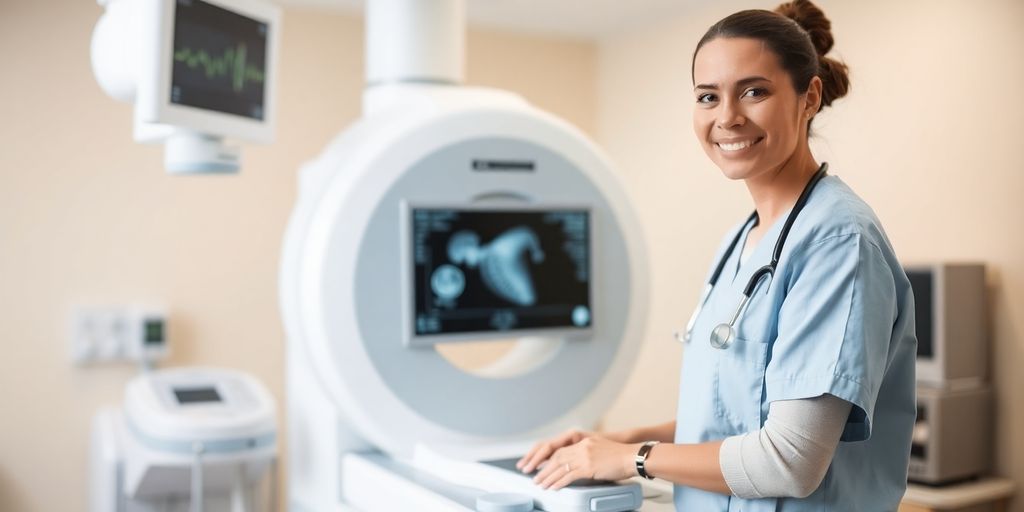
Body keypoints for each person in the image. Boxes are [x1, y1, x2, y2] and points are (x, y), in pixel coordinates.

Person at [515, 1, 917, 510]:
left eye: (754, 91)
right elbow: (737, 416)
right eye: (708, 96)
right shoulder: (743, 238)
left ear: (809, 97)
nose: (727, 117)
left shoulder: (837, 241)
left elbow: (789, 461)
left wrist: (632, 457)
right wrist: (614, 441)